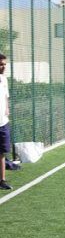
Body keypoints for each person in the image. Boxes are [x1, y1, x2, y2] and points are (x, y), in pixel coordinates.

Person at [0, 53, 11, 191]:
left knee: (2, 153)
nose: (3, 67)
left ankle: (2, 180)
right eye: (1, 64)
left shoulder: (4, 79)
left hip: (3, 123)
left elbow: (6, 96)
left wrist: (7, 109)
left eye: (4, 64)